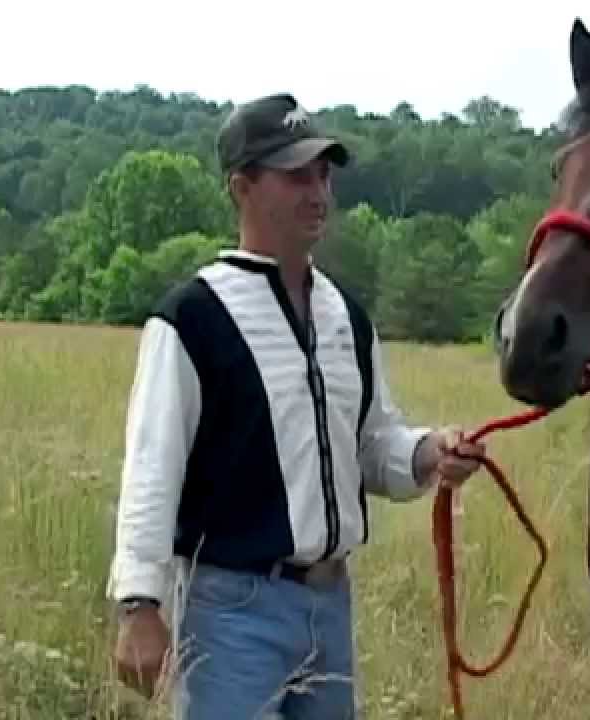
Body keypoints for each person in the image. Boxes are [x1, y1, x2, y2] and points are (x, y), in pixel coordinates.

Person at [106, 92, 487, 720]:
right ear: (242, 187)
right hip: (229, 613)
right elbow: (152, 468)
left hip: (329, 609)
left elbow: (370, 445)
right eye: (296, 176)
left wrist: (430, 451)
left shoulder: (347, 318)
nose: (318, 193)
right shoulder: (191, 318)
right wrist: (139, 605)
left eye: (323, 175)